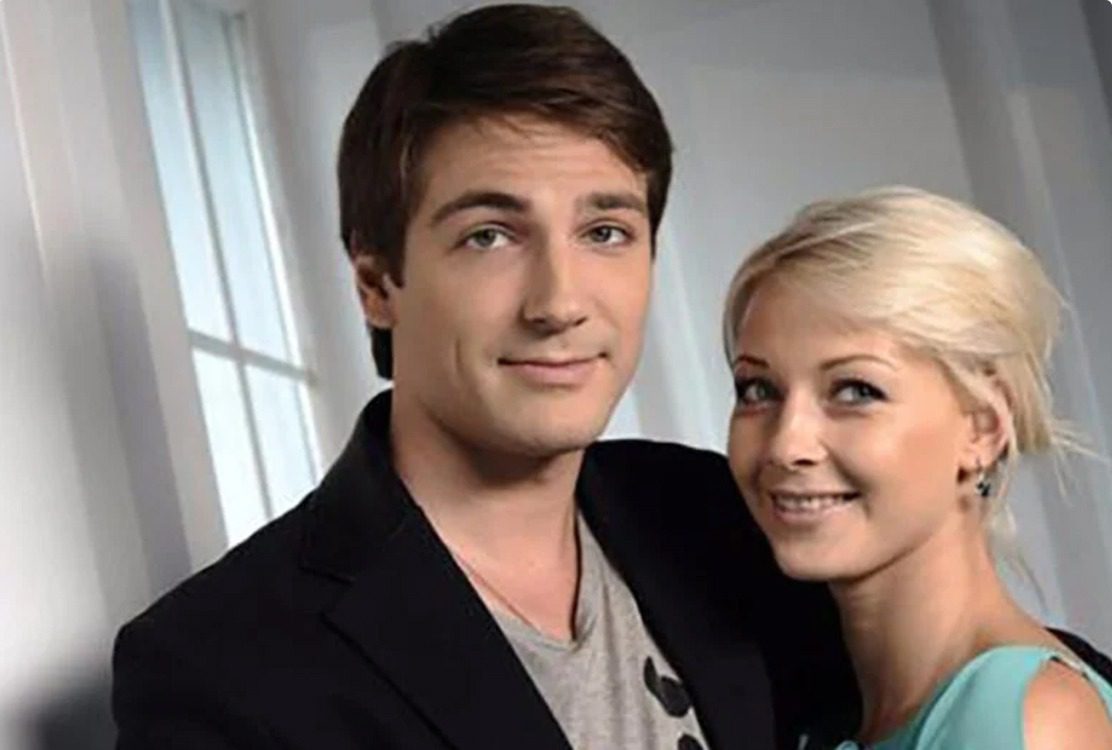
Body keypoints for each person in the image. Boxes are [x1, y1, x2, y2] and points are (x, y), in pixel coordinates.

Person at [112, 5, 856, 749]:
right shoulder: (220, 668)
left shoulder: (721, 518)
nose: (559, 303)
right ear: (376, 283)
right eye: (489, 236)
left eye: (605, 232)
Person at [722, 185, 1112, 749]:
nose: (786, 445)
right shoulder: (827, 716)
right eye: (758, 389)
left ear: (981, 428)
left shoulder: (1022, 721)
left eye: (855, 390)